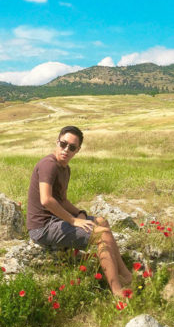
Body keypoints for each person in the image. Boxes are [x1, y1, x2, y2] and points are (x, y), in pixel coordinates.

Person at [26, 125, 132, 296]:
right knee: (101, 235)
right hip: (42, 227)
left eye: (72, 147)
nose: (66, 150)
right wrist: (74, 220)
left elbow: (62, 200)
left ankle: (126, 276)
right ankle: (118, 290)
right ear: (57, 141)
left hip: (55, 221)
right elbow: (46, 200)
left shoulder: (65, 169)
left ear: (78, 150)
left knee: (102, 222)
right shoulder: (49, 165)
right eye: (63, 144)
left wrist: (79, 213)